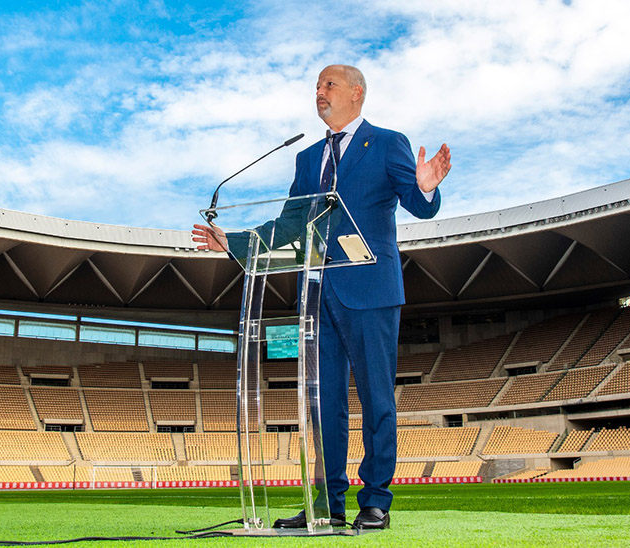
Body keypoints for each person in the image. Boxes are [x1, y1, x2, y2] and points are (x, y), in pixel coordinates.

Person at [192, 64, 451, 530]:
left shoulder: (388, 142)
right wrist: (233, 241)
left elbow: (418, 201)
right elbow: (290, 225)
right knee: (322, 403)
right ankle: (327, 503)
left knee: (376, 398)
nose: (319, 92)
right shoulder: (307, 159)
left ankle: (376, 501)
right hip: (317, 297)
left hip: (370, 291)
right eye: (315, 86)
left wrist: (428, 188)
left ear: (357, 93)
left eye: (328, 84)